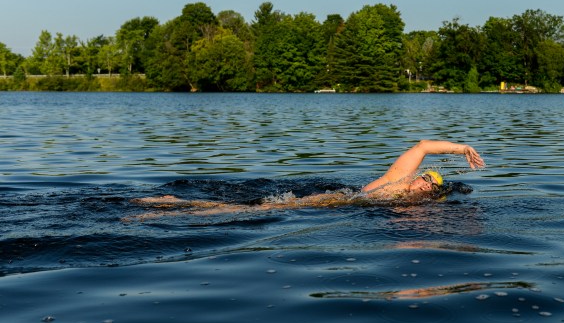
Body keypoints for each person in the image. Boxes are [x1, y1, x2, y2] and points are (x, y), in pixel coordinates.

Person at [129, 139, 485, 218]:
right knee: (251, 211)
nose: (427, 184)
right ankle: (170, 209)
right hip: (335, 201)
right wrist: (461, 148)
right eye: (428, 178)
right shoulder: (398, 178)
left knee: (251, 210)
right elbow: (423, 145)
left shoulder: (413, 206)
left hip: (340, 204)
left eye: (433, 186)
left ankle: (170, 208)